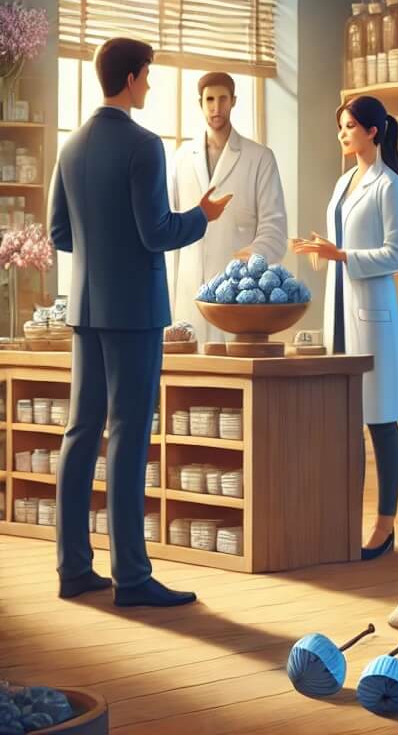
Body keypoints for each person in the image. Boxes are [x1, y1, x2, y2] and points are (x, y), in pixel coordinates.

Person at [49, 37, 232, 607]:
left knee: (81, 433)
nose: (150, 86)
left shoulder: (72, 147)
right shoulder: (144, 145)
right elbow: (157, 233)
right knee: (128, 435)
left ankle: (74, 568)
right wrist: (201, 216)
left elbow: (60, 234)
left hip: (85, 310)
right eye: (148, 76)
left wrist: (102, 250)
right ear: (130, 78)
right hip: (134, 313)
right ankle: (131, 577)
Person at [292, 96, 398, 560]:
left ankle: (384, 525)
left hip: (372, 317)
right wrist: (324, 253)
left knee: (379, 419)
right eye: (340, 127)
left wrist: (344, 257)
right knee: (346, 422)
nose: (342, 134)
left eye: (349, 127)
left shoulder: (388, 186)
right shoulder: (344, 183)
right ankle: (344, 520)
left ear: (373, 132)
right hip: (340, 313)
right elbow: (340, 245)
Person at [169, 71, 287, 342]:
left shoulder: (259, 158)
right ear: (200, 103)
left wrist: (248, 264)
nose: (216, 107)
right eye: (209, 99)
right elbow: (171, 230)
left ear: (234, 101)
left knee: (236, 376)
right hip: (188, 295)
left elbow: (275, 230)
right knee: (190, 379)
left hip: (240, 297)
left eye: (223, 99)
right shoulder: (181, 159)